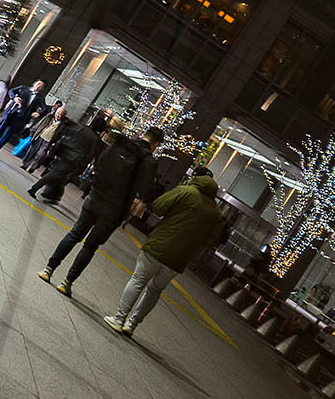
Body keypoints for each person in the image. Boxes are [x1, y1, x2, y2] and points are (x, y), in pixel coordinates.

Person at [104, 163, 226, 336]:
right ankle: (131, 325)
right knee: (155, 290)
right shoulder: (215, 210)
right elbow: (212, 240)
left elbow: (158, 206)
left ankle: (118, 319)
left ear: (195, 178)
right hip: (180, 259)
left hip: (159, 246)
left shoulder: (186, 191)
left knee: (138, 280)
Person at [39, 123, 159, 295]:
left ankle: (48, 269)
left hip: (95, 198)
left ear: (143, 134)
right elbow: (144, 190)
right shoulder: (149, 162)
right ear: (156, 144)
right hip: (114, 211)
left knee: (74, 234)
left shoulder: (121, 144)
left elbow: (100, 163)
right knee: (90, 247)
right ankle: (66, 283)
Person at [30, 108, 104, 203]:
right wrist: (83, 165)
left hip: (64, 152)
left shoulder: (81, 128)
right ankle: (34, 188)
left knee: (60, 176)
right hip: (74, 159)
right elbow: (91, 154)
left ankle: (53, 196)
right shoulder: (95, 140)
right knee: (55, 174)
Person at [0, 79, 47, 156]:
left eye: (41, 86)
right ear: (35, 83)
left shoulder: (40, 98)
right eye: (38, 84)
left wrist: (38, 113)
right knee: (0, 129)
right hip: (12, 113)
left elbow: (45, 109)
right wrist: (14, 98)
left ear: (42, 89)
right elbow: (11, 91)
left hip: (21, 118)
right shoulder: (23, 88)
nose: (38, 86)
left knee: (7, 135)